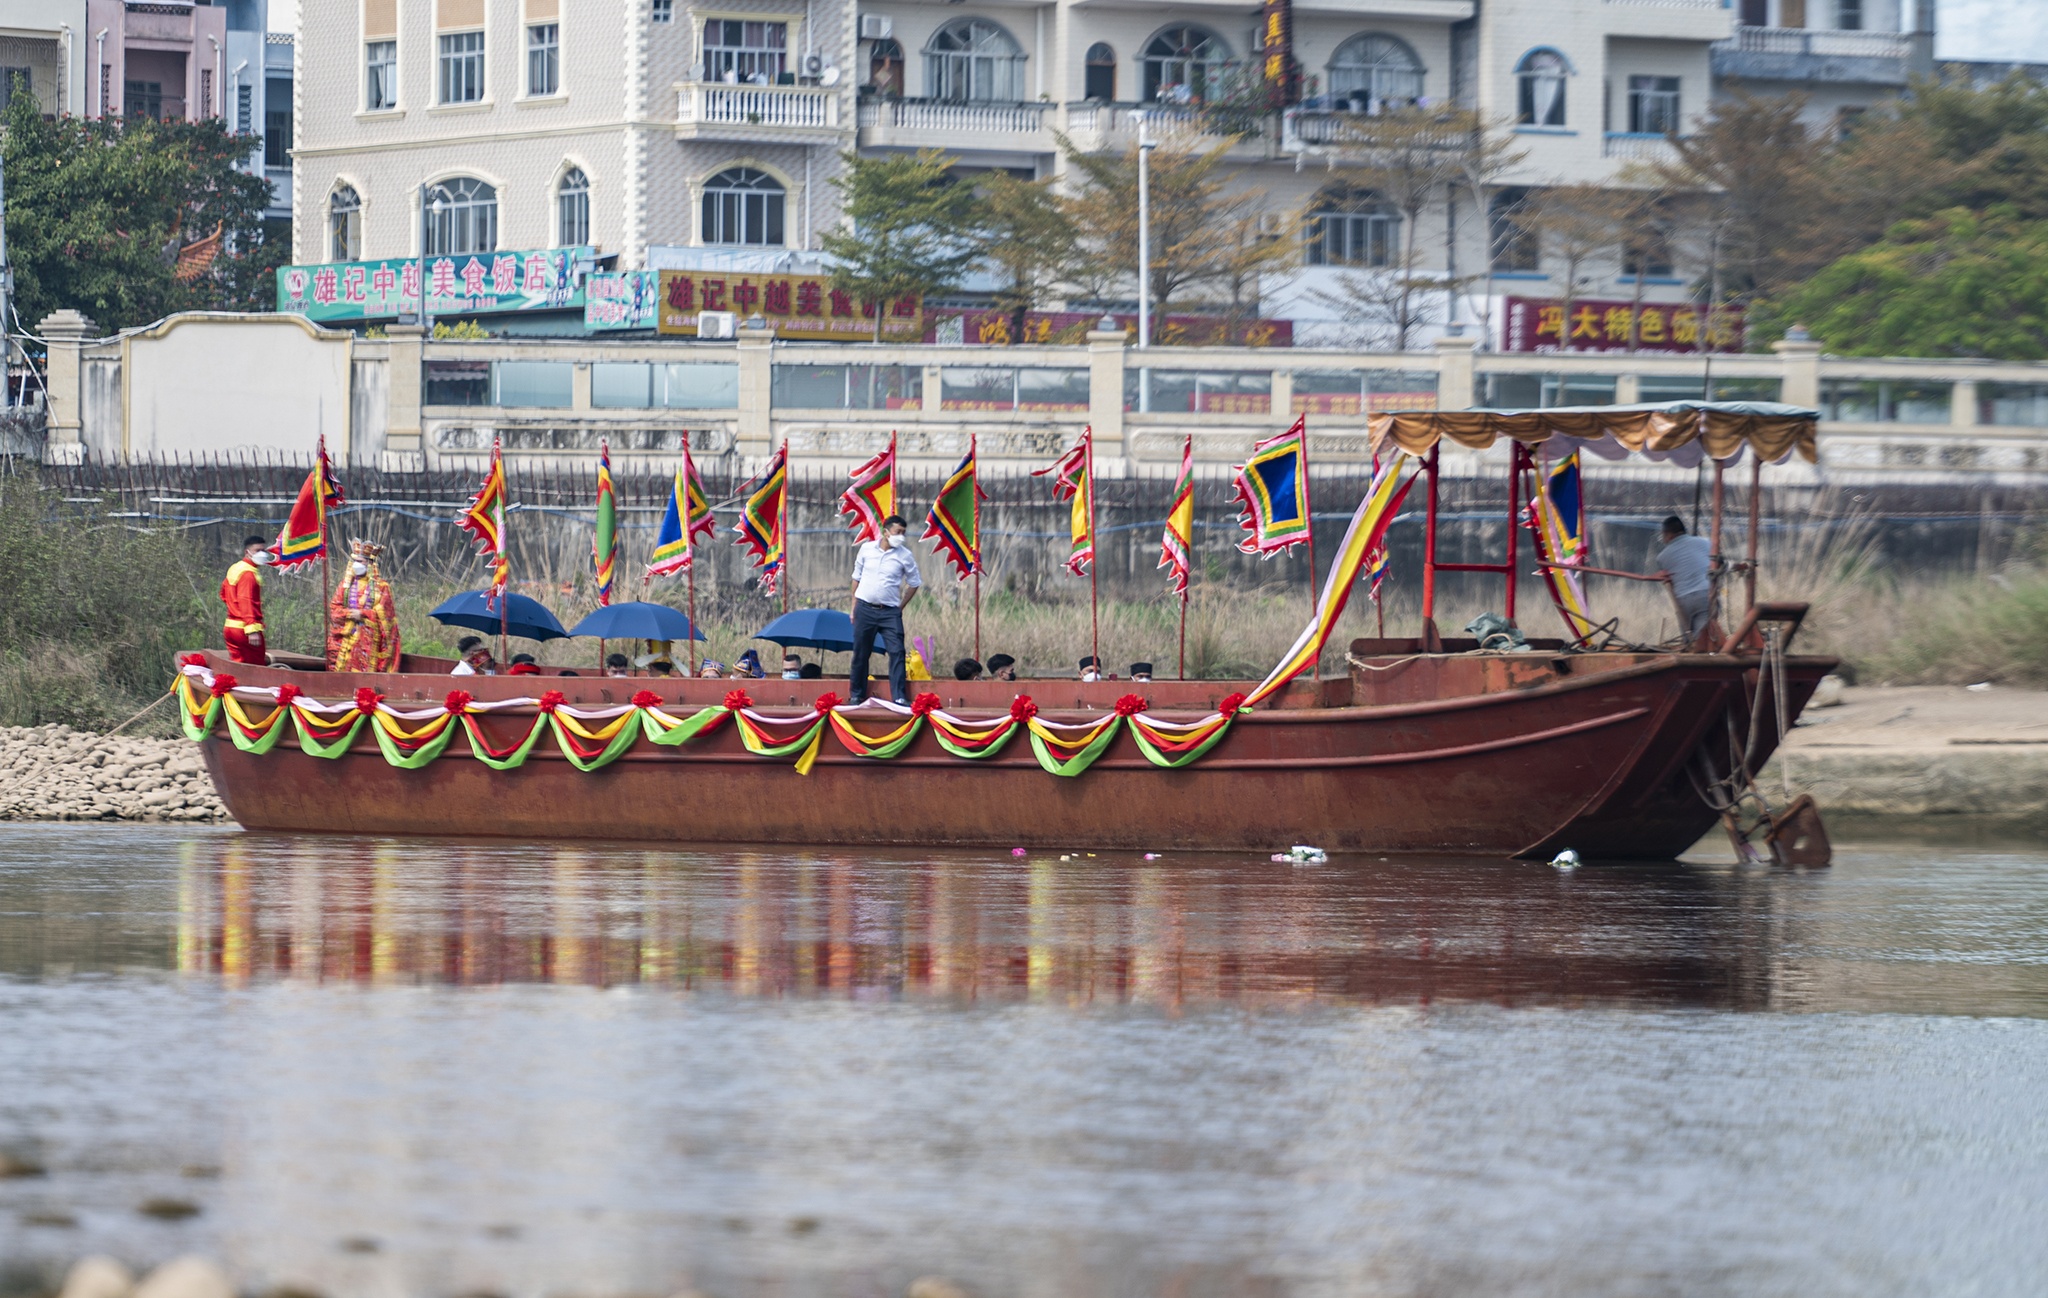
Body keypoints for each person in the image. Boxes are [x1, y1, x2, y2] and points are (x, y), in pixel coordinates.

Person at [849, 513, 922, 706]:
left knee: (897, 651)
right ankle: (856, 694)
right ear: (886, 532)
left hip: (890, 612)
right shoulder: (866, 549)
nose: (901, 537)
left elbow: (914, 583)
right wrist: (853, 607)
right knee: (860, 653)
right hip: (864, 608)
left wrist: (900, 607)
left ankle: (899, 696)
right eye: (898, 532)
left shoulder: (905, 555)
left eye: (904, 533)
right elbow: (856, 577)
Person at [1654, 514, 1715, 641]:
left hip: (1683, 600)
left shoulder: (1662, 557)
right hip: (1705, 595)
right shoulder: (1706, 543)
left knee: (1688, 640)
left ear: (1668, 534)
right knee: (1704, 640)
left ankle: (1689, 652)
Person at [220, 535, 273, 665]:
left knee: (238, 666)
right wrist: (252, 629)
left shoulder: (236, 568)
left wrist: (233, 607)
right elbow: (246, 601)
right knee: (255, 668)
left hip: (230, 628)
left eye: (263, 550)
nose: (262, 554)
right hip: (245, 629)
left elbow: (223, 594)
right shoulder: (248, 574)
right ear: (247, 552)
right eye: (257, 550)